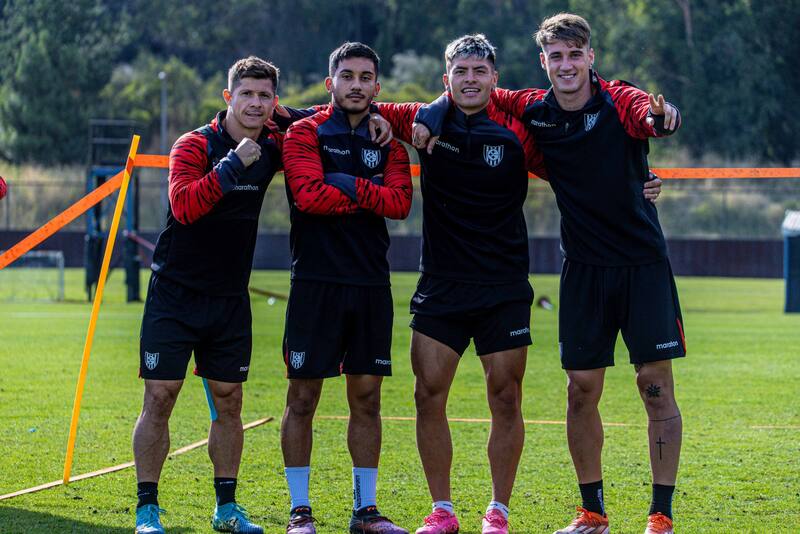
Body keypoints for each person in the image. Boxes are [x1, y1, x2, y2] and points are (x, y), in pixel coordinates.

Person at [416, 13, 683, 534]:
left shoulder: (620, 100)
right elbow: (471, 88)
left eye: (575, 54)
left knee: (654, 385)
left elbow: (650, 118)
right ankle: (593, 513)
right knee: (580, 389)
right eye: (556, 56)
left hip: (642, 265)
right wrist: (429, 110)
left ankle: (661, 515)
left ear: (590, 58)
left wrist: (663, 119)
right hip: (582, 267)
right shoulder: (532, 108)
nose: (566, 65)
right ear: (544, 62)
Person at [131, 56, 392, 534]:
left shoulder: (275, 136)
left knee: (229, 402)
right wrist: (232, 165)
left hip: (230, 298)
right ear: (228, 97)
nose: (255, 103)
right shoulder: (195, 144)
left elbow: (334, 106)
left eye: (264, 95)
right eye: (246, 94)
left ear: (274, 102)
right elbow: (184, 207)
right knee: (161, 396)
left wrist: (380, 116)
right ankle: (148, 511)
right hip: (175, 294)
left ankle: (226, 509)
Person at [375, 34, 546, 534]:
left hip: (504, 286)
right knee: (428, 395)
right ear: (445, 78)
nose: (469, 79)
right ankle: (442, 511)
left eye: (479, 70)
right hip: (442, 286)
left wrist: (639, 179)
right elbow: (353, 103)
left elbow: (580, 165)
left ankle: (499, 511)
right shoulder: (422, 118)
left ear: (495, 77)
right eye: (460, 71)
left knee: (505, 397)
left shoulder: (519, 129)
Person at [280, 42, 412, 534]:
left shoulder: (390, 143)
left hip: (371, 284)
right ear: (329, 82)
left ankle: (365, 511)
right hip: (315, 283)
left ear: (377, 87)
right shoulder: (303, 132)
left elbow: (399, 204)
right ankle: (300, 511)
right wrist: (366, 195)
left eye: (365, 77)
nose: (355, 84)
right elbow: (308, 196)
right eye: (347, 76)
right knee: (303, 398)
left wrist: (346, 183)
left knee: (368, 398)